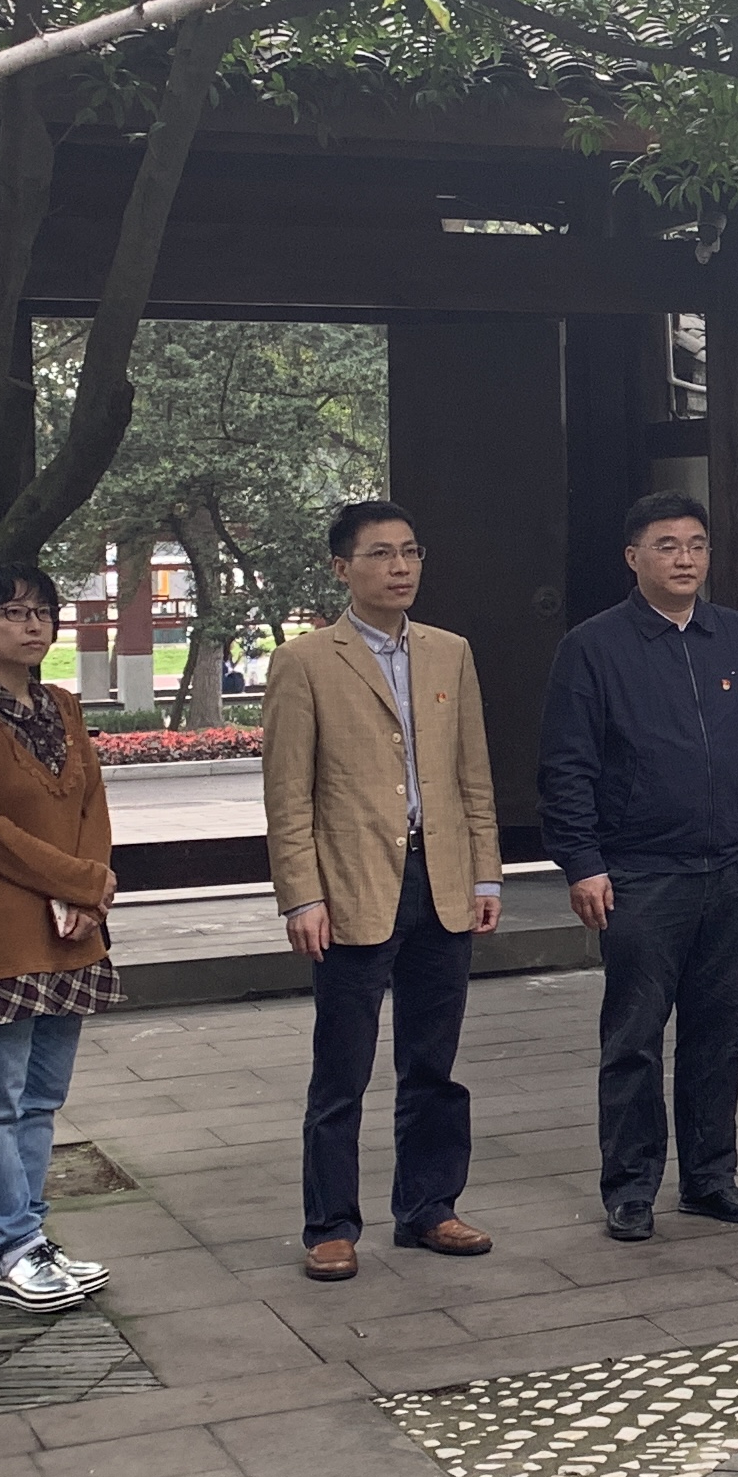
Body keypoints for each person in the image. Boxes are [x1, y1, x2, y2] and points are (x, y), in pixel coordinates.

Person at [542, 492, 738, 1240]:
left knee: (720, 1030)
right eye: (667, 546)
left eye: (696, 545)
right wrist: (583, 863)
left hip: (732, 867)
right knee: (634, 1035)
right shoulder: (594, 648)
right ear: (633, 558)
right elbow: (566, 767)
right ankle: (630, 1187)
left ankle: (710, 1177)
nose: (685, 559)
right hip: (641, 872)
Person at [267, 499, 506, 1281]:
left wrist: (485, 872)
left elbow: (473, 774)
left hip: (441, 879)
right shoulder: (306, 661)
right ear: (343, 569)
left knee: (433, 1062)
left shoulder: (449, 652)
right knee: (342, 1069)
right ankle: (330, 1224)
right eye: (380, 554)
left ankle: (430, 1206)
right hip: (352, 886)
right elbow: (288, 794)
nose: (400, 567)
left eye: (410, 552)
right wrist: (302, 896)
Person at [0, 562, 119, 1311]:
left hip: (70, 933)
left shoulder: (63, 706)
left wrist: (90, 889)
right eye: (11, 612)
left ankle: (35, 1238)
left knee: (42, 1099)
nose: (32, 624)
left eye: (40, 610)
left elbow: (91, 803)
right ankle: (10, 1246)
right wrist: (78, 881)